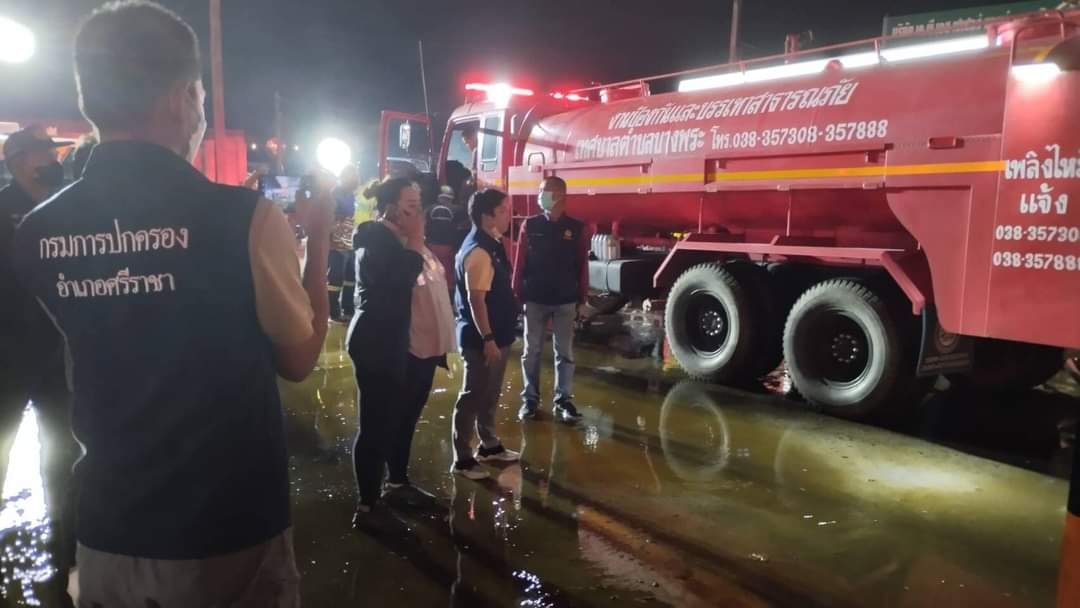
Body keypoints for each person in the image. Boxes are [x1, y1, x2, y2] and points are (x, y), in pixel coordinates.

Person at [12, 2, 333, 605]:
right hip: (228, 530)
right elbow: (298, 360)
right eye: (201, 97)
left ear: (89, 98)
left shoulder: (36, 232)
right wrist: (317, 243)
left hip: (108, 528)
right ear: (184, 97)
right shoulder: (244, 219)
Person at [347, 177, 456, 521]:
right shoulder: (376, 239)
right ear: (391, 207)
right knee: (376, 426)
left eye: (419, 203)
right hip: (380, 347)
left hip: (415, 349)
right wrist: (417, 240)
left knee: (403, 419)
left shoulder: (405, 240)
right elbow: (398, 281)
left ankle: (396, 482)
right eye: (410, 204)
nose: (418, 212)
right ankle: (368, 505)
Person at [0, 127, 78, 596]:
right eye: (42, 154)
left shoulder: (66, 210)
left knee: (62, 459)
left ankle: (64, 555)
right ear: (16, 163)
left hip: (56, 358)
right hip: (6, 360)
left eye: (54, 153)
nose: (52, 161)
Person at [450, 189, 521, 480]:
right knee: (473, 395)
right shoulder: (479, 251)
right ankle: (463, 459)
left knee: (490, 392)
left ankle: (489, 445)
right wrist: (488, 339)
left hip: (497, 334)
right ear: (486, 216)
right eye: (503, 211)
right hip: (481, 339)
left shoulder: (492, 243)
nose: (508, 216)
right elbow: (476, 299)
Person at [513, 176, 588, 422]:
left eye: (544, 191)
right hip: (535, 299)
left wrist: (582, 299)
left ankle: (563, 400)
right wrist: (516, 295)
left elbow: (582, 266)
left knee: (564, 352)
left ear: (559, 196)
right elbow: (520, 262)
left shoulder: (576, 228)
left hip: (565, 300)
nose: (540, 196)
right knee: (531, 351)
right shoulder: (530, 225)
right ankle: (530, 400)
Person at [329, 165, 360, 321]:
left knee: (350, 278)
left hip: (349, 241)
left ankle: (348, 309)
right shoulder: (336, 193)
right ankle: (334, 312)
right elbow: (332, 216)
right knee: (336, 279)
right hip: (336, 243)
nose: (354, 178)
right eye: (351, 175)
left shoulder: (351, 194)